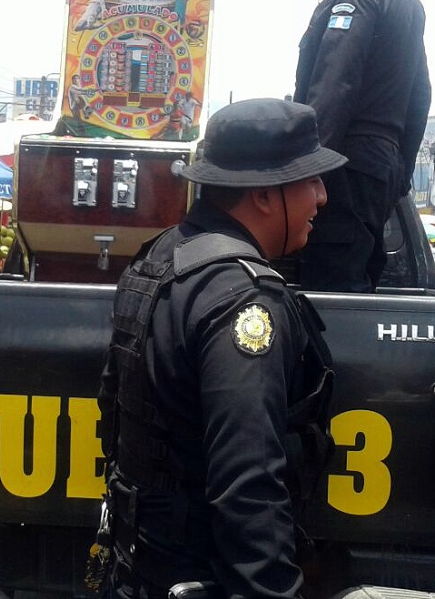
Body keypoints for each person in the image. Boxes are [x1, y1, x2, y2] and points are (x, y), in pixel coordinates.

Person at [96, 99, 345, 599]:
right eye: (309, 179)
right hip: (198, 578)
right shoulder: (245, 297)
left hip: (137, 566)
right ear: (262, 193)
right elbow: (248, 485)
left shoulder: (158, 258)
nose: (321, 196)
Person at [290, 0, 431, 292]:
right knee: (357, 285)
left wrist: (306, 170)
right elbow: (420, 95)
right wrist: (399, 172)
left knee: (328, 291)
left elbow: (334, 87)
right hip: (379, 167)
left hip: (342, 165)